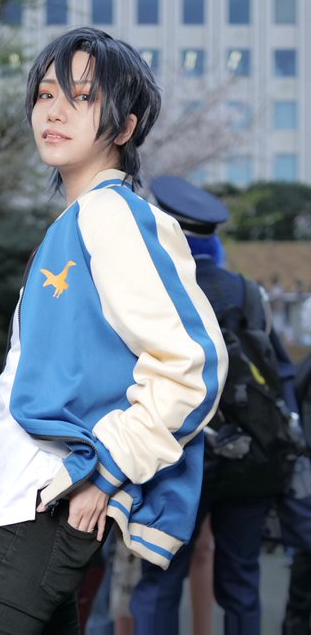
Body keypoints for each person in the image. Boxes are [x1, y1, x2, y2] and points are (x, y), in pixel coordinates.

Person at [0, 26, 227, 635]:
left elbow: (193, 366)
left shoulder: (115, 217)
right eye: (45, 94)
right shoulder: (79, 220)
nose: (54, 111)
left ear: (125, 127)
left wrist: (106, 470)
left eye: (83, 97)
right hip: (23, 498)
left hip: (48, 500)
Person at [131, 175, 300, 635]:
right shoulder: (248, 292)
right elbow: (280, 374)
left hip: (173, 455)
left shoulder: (152, 292)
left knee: (160, 580)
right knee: (242, 581)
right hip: (249, 455)